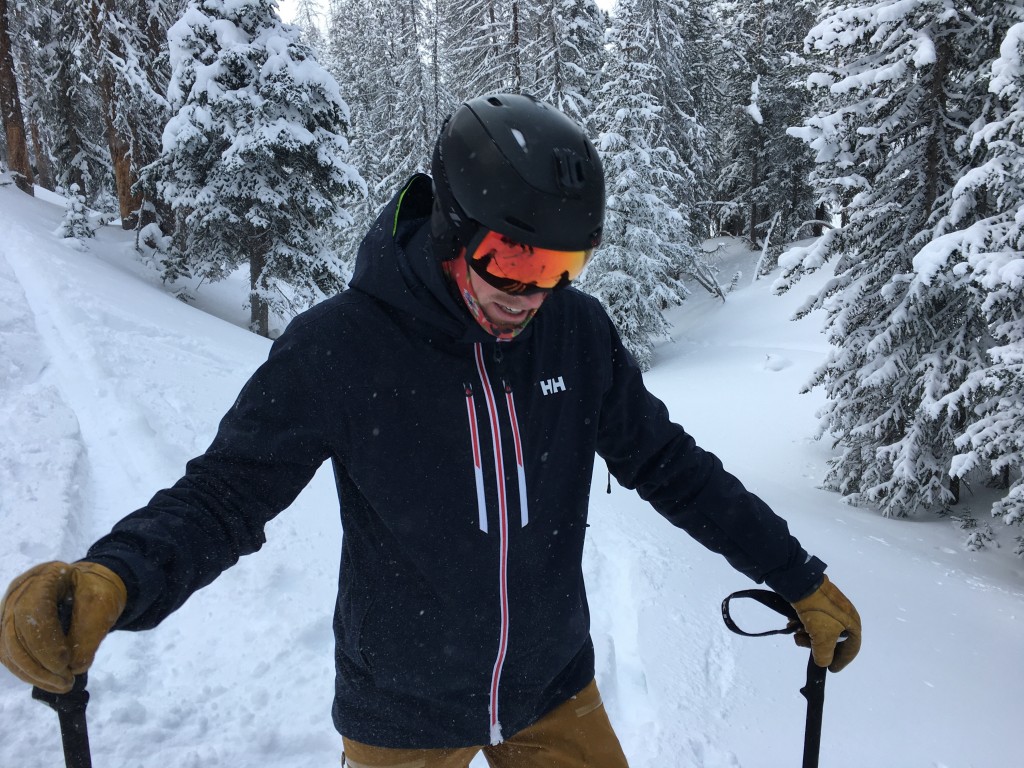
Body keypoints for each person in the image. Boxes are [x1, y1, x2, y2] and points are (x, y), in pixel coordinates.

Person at [0, 93, 861, 768]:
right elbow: (228, 492)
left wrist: (798, 577)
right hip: (400, 708)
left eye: (563, 267)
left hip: (552, 686)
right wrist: (119, 574)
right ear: (451, 227)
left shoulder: (577, 334)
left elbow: (672, 467)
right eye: (515, 261)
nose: (533, 293)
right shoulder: (342, 347)